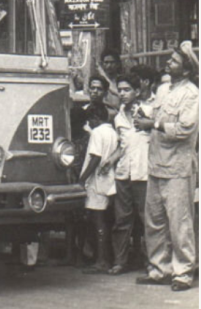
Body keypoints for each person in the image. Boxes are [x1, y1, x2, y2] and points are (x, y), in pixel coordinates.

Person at [133, 41, 199, 291]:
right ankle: (160, 269)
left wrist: (155, 125)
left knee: (180, 222)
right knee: (155, 221)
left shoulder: (192, 94)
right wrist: (147, 119)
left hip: (178, 168)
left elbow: (186, 128)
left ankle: (183, 272)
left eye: (173, 61)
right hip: (157, 165)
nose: (167, 64)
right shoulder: (163, 90)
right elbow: (157, 117)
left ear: (186, 68)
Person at [100, 73, 151, 274]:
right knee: (122, 219)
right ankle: (120, 261)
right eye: (120, 90)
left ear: (137, 91)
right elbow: (123, 145)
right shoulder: (119, 116)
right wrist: (110, 160)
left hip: (144, 173)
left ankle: (152, 262)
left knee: (148, 219)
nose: (122, 93)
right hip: (124, 174)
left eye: (127, 89)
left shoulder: (148, 112)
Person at [78, 109, 119, 274]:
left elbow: (95, 157)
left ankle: (102, 261)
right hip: (109, 181)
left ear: (96, 117)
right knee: (104, 220)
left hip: (96, 181)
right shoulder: (113, 132)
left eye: (90, 120)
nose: (88, 124)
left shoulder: (96, 132)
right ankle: (104, 258)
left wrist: (82, 179)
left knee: (98, 220)